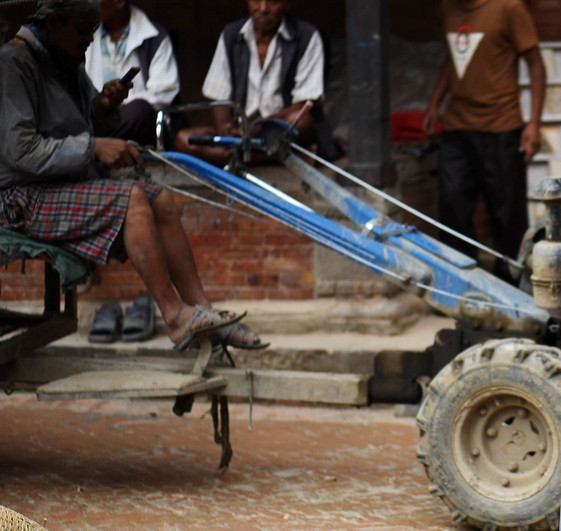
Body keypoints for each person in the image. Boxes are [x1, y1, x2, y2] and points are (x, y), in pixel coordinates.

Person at [0, 0, 265, 352]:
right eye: (83, 30)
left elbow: (83, 121)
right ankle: (174, 316)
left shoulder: (65, 58)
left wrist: (105, 106)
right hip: (20, 198)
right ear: (52, 21)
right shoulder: (15, 63)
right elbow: (21, 151)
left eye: (93, 31)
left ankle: (202, 310)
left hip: (57, 185)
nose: (90, 40)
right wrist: (94, 148)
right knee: (132, 200)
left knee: (161, 198)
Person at [422, 0, 546, 282]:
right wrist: (434, 102)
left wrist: (534, 124)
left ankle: (511, 282)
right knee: (452, 203)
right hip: (456, 126)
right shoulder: (448, 8)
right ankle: (461, 278)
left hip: (502, 127)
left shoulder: (509, 8)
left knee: (506, 211)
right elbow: (455, 57)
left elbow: (536, 66)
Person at [175, 0, 326, 166]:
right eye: (256, 1)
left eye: (273, 2)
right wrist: (225, 128)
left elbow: (304, 104)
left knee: (302, 121)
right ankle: (274, 156)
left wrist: (259, 126)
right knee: (183, 140)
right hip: (241, 131)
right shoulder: (232, 35)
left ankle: (237, 157)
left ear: (287, 4)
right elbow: (219, 96)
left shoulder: (306, 37)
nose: (263, 9)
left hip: (279, 128)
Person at [83, 0, 180, 147]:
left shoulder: (155, 37)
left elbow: (162, 94)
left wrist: (113, 104)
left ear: (119, 2)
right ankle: (96, 148)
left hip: (141, 128)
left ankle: (93, 145)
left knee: (139, 109)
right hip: (94, 119)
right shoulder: (85, 35)